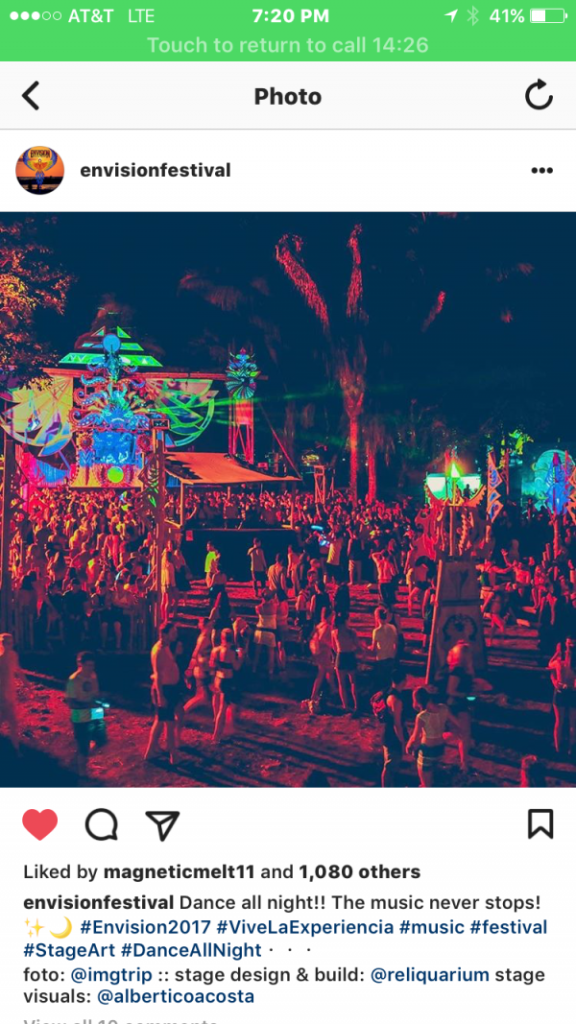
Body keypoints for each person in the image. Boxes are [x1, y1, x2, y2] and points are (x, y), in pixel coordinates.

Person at [406, 687, 460, 787]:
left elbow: (415, 736)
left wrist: (408, 745)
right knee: (432, 775)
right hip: (440, 749)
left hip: (427, 751)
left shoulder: (422, 716)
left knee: (426, 784)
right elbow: (457, 723)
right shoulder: (444, 708)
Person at [144, 622, 182, 766]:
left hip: (169, 689)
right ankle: (173, 756)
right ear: (164, 634)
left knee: (160, 721)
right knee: (169, 724)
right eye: (173, 633)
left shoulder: (166, 647)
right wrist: (161, 697)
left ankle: (150, 751)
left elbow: (168, 666)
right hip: (164, 690)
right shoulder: (158, 651)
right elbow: (158, 675)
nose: (176, 635)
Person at [65, 651, 103, 776]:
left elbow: (95, 693)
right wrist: (88, 705)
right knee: (83, 746)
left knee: (100, 740)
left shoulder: (93, 675)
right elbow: (71, 703)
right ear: (80, 664)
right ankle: (82, 773)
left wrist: (98, 710)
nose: (90, 668)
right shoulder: (74, 680)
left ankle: (83, 756)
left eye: (92, 665)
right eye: (88, 665)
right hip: (80, 718)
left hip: (94, 713)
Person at [445, 641, 476, 772]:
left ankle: (431, 738)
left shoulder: (465, 669)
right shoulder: (456, 672)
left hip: (464, 703)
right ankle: (464, 764)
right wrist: (465, 695)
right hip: (457, 705)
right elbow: (450, 690)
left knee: (460, 733)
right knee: (464, 734)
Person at [210, 628, 244, 743]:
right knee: (223, 709)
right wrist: (241, 657)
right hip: (227, 680)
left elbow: (211, 665)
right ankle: (216, 735)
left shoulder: (215, 649)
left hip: (217, 678)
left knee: (217, 703)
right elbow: (237, 667)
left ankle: (220, 724)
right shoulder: (231, 652)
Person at [371, 684, 405, 787]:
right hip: (393, 736)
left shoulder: (385, 692)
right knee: (389, 766)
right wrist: (402, 741)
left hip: (387, 733)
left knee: (391, 765)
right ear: (404, 680)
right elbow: (397, 724)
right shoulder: (395, 699)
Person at [548, 639, 576, 756]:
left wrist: (557, 653)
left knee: (565, 722)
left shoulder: (559, 663)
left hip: (564, 692)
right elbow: (551, 670)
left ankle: (561, 748)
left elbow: (550, 664)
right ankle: (565, 748)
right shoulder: (561, 663)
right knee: (568, 722)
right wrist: (554, 681)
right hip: (567, 692)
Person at [183, 619, 213, 719]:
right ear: (205, 626)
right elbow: (195, 654)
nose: (211, 628)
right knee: (203, 697)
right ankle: (183, 711)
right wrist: (189, 669)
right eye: (209, 626)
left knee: (202, 695)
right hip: (201, 670)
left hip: (202, 669)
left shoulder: (206, 637)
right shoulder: (204, 639)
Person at [332, 612, 361, 713]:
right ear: (345, 621)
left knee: (341, 684)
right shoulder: (351, 632)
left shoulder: (334, 632)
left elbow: (334, 647)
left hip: (340, 656)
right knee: (353, 683)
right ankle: (356, 705)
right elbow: (358, 646)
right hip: (350, 656)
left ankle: (345, 706)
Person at [308, 607, 334, 711]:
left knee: (328, 671)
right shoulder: (327, 626)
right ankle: (314, 695)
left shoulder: (320, 624)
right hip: (323, 652)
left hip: (319, 652)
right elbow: (322, 638)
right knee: (323, 673)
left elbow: (312, 635)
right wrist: (331, 644)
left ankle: (333, 689)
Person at [0, 633, 22, 754]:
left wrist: (27, 685)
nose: (8, 645)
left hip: (11, 691)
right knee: (13, 722)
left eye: (10, 643)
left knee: (6, 720)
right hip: (3, 694)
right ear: (1, 644)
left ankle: (15, 749)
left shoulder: (13, 655)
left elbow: (18, 670)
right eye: (5, 643)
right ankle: (16, 750)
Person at [370, 605, 398, 689]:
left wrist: (366, 648)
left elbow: (373, 648)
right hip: (391, 657)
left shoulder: (376, 631)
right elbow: (395, 643)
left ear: (377, 617)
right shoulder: (393, 627)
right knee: (389, 681)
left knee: (381, 682)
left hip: (381, 659)